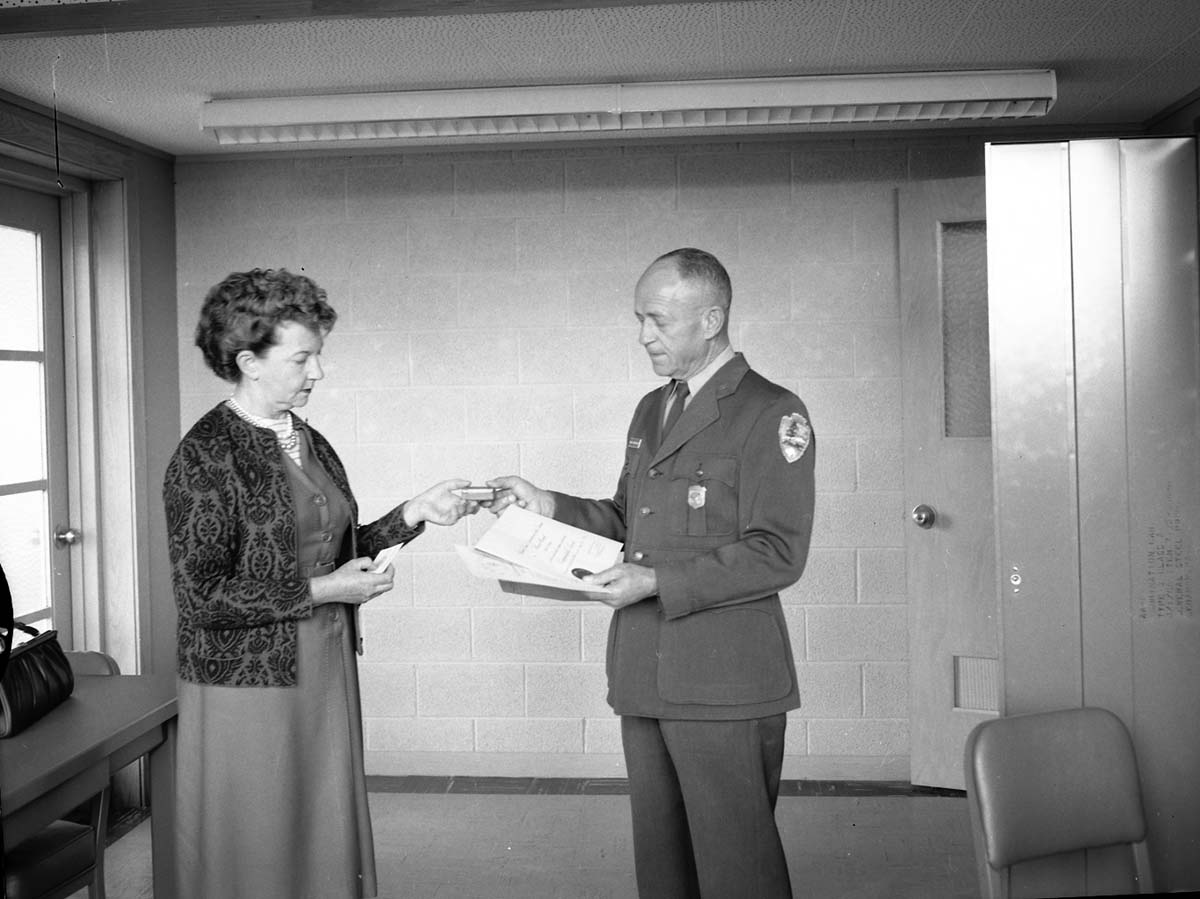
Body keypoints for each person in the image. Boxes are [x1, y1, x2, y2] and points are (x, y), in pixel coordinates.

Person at [490, 247, 815, 898]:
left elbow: (778, 550)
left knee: (737, 868)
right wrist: (547, 504)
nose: (644, 335)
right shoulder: (652, 408)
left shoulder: (771, 411)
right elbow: (626, 518)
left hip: (724, 681)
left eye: (658, 319)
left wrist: (658, 581)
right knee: (663, 865)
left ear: (711, 319)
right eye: (640, 318)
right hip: (645, 672)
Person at [163, 268, 480, 899]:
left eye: (319, 355)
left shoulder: (309, 439)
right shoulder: (204, 455)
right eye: (303, 358)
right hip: (248, 687)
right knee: (262, 835)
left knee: (319, 824)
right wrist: (326, 591)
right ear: (249, 362)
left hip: (323, 666)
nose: (319, 372)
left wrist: (413, 513)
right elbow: (200, 599)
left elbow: (335, 549)